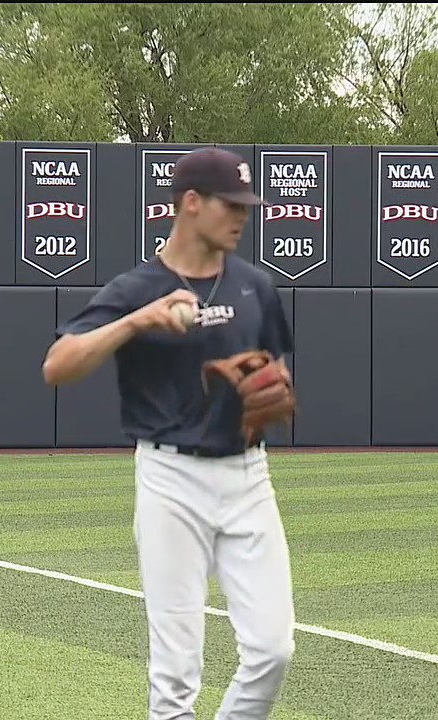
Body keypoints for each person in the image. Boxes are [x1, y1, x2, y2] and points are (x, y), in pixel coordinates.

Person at [42, 147, 297, 720]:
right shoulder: (137, 288)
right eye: (230, 205)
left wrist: (274, 381)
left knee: (273, 649)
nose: (242, 216)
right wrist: (137, 321)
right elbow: (58, 365)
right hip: (170, 478)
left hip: (248, 476)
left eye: (246, 205)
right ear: (189, 203)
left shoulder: (256, 287)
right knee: (177, 675)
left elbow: (278, 364)